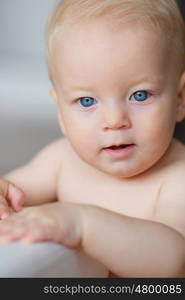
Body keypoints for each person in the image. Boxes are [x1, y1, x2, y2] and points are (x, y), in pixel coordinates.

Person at [0, 0, 185, 277]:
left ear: (180, 99)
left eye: (140, 95)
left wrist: (82, 224)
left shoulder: (176, 179)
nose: (114, 121)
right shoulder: (61, 160)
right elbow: (14, 192)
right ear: (60, 111)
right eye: (86, 101)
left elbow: (170, 261)